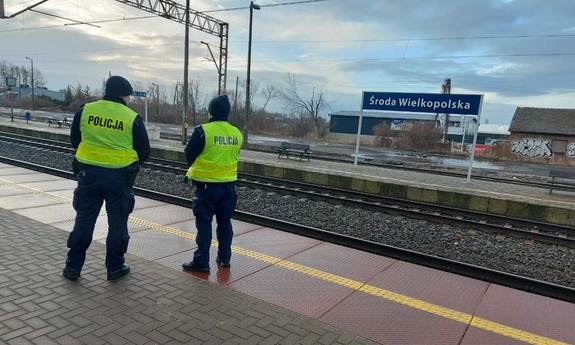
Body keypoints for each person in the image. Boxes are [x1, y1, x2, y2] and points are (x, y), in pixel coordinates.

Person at [63, 76, 150, 281]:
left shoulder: (85, 111)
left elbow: (75, 140)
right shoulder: (131, 118)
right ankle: (114, 268)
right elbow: (144, 151)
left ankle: (73, 267)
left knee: (84, 220)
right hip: (119, 178)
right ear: (124, 95)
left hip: (88, 174)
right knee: (117, 223)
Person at [182, 95, 243, 272]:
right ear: (227, 113)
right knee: (225, 223)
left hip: (207, 188)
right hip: (229, 188)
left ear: (211, 112)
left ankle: (201, 262)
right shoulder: (236, 133)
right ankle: (224, 258)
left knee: (204, 224)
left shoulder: (203, 131)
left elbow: (189, 154)